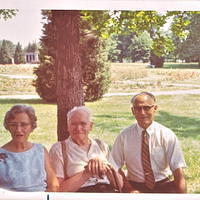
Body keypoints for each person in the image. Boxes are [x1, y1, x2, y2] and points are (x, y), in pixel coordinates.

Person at [111, 92, 187, 193]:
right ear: (133, 111)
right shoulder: (124, 137)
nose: (142, 113)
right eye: (138, 108)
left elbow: (178, 169)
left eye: (146, 108)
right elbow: (114, 166)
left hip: (162, 185)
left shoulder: (167, 135)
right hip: (134, 186)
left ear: (155, 108)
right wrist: (128, 188)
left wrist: (183, 196)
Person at [49, 106, 123, 192]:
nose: (78, 128)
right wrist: (87, 172)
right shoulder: (59, 149)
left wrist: (106, 167)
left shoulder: (101, 146)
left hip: (107, 193)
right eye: (73, 124)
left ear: (90, 126)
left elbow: (120, 185)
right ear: (68, 127)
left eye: (83, 123)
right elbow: (57, 190)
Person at [0, 104, 59, 192]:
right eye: (13, 125)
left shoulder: (40, 151)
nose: (18, 129)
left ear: (32, 126)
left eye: (23, 124)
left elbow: (54, 185)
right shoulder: (1, 154)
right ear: (8, 127)